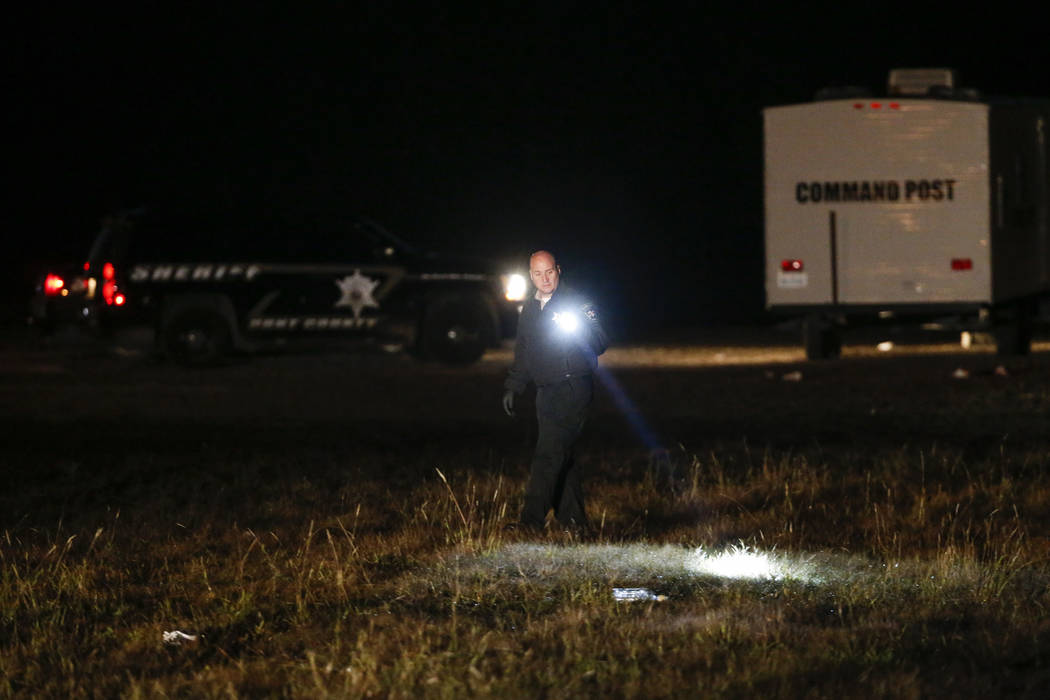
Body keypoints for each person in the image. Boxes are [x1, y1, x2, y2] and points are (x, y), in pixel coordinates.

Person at [502, 250, 608, 533]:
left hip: (573, 386)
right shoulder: (530, 309)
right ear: (530, 275)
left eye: (549, 271)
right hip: (545, 390)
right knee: (562, 454)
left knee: (548, 453)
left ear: (558, 270)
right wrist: (514, 385)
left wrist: (577, 330)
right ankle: (575, 522)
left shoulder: (577, 302)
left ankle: (531, 522)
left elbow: (600, 341)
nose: (544, 278)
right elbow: (523, 351)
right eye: (537, 273)